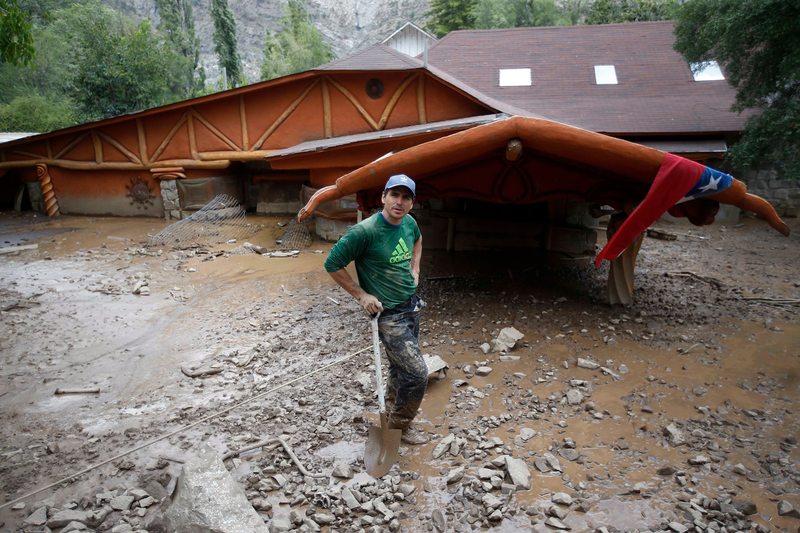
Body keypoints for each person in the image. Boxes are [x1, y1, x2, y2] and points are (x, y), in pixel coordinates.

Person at [324, 174, 429, 445]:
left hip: (410, 306)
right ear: (383, 197)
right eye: (395, 195)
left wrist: (415, 268)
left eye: (406, 197)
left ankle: (393, 409)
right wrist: (361, 296)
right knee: (418, 375)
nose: (400, 202)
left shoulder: (409, 223)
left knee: (400, 367)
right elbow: (332, 264)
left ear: (412, 203)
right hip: (389, 315)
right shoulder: (364, 231)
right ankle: (400, 428)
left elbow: (417, 240)